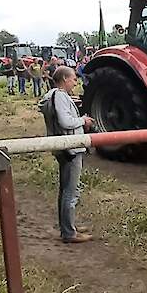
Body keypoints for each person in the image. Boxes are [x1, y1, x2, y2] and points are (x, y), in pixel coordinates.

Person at [39, 66, 95, 244]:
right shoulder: (60, 96)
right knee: (70, 192)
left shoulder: (53, 95)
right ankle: (69, 233)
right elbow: (65, 121)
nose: (75, 82)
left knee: (66, 191)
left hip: (64, 148)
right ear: (64, 78)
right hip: (71, 148)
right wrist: (83, 120)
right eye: (73, 79)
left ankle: (68, 226)